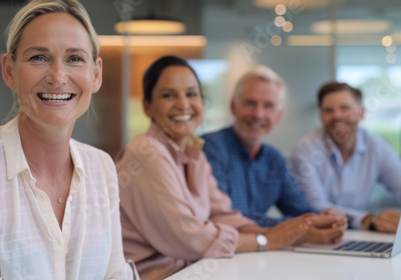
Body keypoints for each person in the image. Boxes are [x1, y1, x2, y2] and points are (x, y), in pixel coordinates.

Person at [0, 1, 135, 279]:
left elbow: (115, 275)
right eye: (39, 57)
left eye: (75, 58)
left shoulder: (102, 167)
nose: (58, 77)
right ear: (9, 71)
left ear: (95, 74)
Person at [116, 56, 340, 280]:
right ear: (147, 106)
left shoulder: (194, 154)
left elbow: (223, 215)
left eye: (192, 94)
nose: (183, 104)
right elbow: (189, 237)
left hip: (191, 271)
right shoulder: (147, 151)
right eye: (168, 95)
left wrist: (298, 231)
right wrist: (268, 239)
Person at [201, 66, 346, 241]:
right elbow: (225, 218)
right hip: (221, 255)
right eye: (250, 103)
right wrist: (301, 225)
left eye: (268, 106)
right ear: (233, 107)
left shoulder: (273, 159)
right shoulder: (211, 149)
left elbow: (300, 209)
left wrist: (327, 221)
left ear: (279, 116)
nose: (258, 114)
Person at [291, 82, 401, 233]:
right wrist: (366, 219)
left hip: (360, 235)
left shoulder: (377, 148)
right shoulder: (306, 149)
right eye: (329, 110)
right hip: (318, 234)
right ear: (321, 116)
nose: (337, 115)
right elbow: (314, 205)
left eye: (345, 108)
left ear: (361, 112)